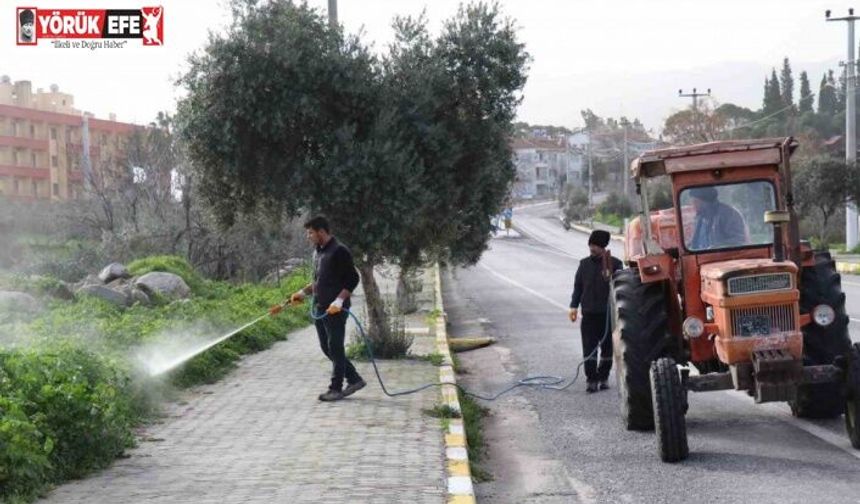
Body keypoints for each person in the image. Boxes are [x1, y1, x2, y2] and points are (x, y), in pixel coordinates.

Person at [289, 216, 365, 402]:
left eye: (310, 233)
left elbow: (352, 279)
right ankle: (354, 379)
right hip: (320, 307)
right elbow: (319, 281)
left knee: (335, 347)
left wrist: (339, 301)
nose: (308, 237)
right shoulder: (318, 252)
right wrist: (302, 292)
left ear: (321, 231)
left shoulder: (339, 251)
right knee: (326, 347)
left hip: (335, 309)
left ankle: (336, 388)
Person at [569, 230, 622, 393]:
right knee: (589, 349)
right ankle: (591, 379)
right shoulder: (583, 264)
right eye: (591, 245)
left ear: (603, 246)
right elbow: (578, 287)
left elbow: (622, 289)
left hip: (607, 316)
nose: (592, 248)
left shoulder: (615, 264)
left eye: (596, 246)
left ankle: (603, 376)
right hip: (589, 314)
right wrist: (573, 306)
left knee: (607, 349)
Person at [688, 186, 748, 250]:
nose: (693, 205)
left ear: (706, 202)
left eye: (696, 201)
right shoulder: (700, 218)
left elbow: (739, 241)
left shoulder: (728, 214)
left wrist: (716, 248)